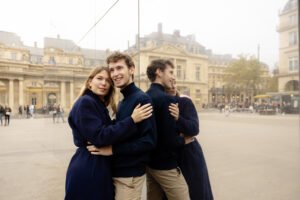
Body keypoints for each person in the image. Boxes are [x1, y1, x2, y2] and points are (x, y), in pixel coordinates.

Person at [65, 66, 153, 200]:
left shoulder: (97, 104)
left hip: (96, 163)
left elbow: (107, 130)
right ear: (89, 82)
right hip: (90, 165)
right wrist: (132, 120)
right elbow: (100, 136)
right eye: (99, 78)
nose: (104, 83)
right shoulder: (86, 102)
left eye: (108, 80)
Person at [87, 52, 157, 200]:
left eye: (119, 68)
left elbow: (149, 141)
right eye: (112, 70)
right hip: (118, 171)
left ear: (131, 69)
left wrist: (112, 149)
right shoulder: (123, 100)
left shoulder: (141, 99)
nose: (115, 74)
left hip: (130, 175)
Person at [145, 59, 193, 200]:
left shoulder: (145, 96)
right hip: (165, 164)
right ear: (159, 72)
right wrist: (184, 140)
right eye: (171, 72)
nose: (174, 76)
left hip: (150, 164)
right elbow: (169, 139)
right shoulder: (166, 99)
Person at [167, 80, 214, 200]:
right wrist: (181, 138)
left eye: (174, 82)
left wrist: (179, 118)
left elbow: (194, 129)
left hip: (190, 154)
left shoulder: (184, 102)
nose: (173, 86)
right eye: (169, 82)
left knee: (196, 191)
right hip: (171, 157)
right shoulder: (159, 104)